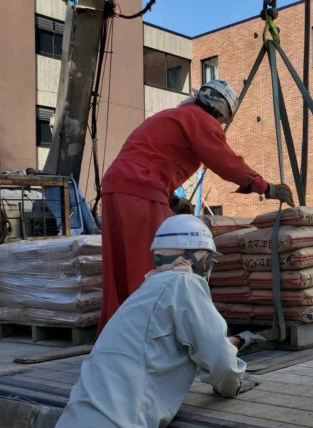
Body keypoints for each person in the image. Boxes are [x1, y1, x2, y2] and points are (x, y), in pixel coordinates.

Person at [98, 79, 294, 332]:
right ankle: (147, 335)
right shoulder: (199, 120)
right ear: (221, 111)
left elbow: (150, 157)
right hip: (142, 188)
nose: (221, 126)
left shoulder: (175, 117)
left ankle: (114, 334)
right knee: (150, 266)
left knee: (118, 270)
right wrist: (265, 187)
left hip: (116, 187)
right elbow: (225, 161)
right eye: (223, 121)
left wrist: (171, 200)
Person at [54, 215, 264, 428]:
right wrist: (234, 382)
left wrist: (235, 341)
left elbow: (177, 343)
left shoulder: (145, 293)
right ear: (203, 260)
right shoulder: (185, 282)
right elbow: (219, 359)